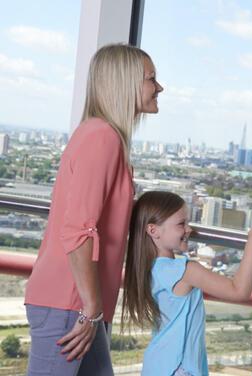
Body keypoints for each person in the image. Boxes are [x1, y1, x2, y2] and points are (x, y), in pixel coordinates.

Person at [24, 43, 164, 375]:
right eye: (151, 78)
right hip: (70, 304)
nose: (159, 87)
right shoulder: (102, 138)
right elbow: (78, 230)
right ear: (124, 83)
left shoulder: (103, 136)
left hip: (82, 303)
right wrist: (89, 309)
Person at [122, 191, 252, 376]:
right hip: (179, 369)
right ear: (153, 230)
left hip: (158, 365)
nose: (189, 229)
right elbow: (239, 291)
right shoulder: (184, 271)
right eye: (181, 224)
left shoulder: (146, 268)